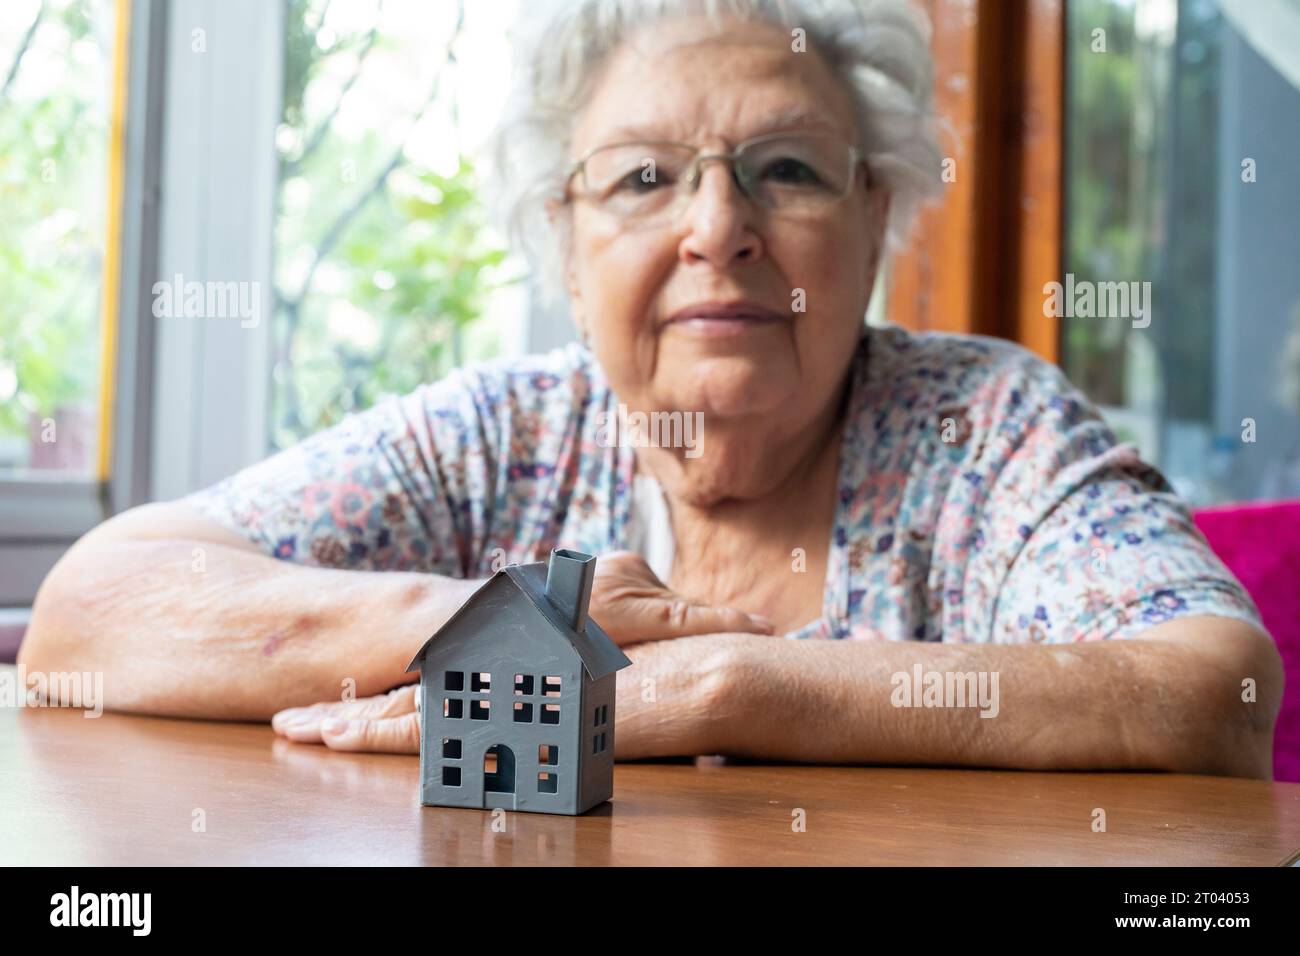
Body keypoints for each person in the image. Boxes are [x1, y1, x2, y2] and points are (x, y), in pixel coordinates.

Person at [21, 0, 1282, 776]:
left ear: (874, 212)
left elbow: (1215, 685)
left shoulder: (982, 424)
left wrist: (746, 684)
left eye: (786, 168)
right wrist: (518, 623)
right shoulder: (498, 436)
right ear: (565, 245)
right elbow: (91, 615)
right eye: (640, 179)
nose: (718, 227)